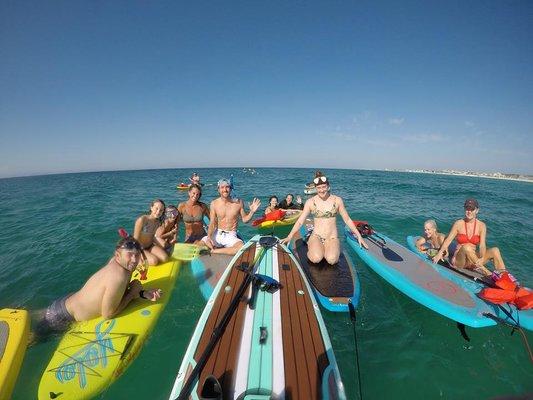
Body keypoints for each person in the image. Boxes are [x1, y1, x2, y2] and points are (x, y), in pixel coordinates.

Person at [36, 237, 162, 335]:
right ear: (118, 255)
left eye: (137, 254)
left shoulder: (117, 263)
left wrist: (142, 293)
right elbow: (108, 314)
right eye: (129, 254)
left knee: (36, 316)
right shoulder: (117, 277)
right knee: (31, 341)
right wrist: (133, 293)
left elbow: (115, 292)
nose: (134, 260)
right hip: (63, 318)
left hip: (63, 304)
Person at [281, 171, 367, 264]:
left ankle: (327, 247)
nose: (321, 190)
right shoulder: (310, 202)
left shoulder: (337, 200)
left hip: (332, 237)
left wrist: (359, 236)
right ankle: (311, 242)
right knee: (316, 258)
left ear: (328, 186)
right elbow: (300, 221)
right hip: (317, 236)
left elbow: (347, 219)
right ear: (315, 188)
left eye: (324, 187)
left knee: (332, 260)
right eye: (318, 188)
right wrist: (289, 236)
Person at [432, 198, 507, 276]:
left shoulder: (482, 226)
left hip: (472, 261)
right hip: (460, 261)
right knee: (466, 247)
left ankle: (504, 276)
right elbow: (448, 240)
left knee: (495, 250)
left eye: (472, 209)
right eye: (467, 209)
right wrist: (439, 253)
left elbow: (482, 245)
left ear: (477, 210)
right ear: (464, 209)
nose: (469, 212)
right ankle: (487, 273)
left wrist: (481, 257)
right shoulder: (459, 223)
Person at [203, 178, 261, 255]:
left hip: (231, 235)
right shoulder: (214, 203)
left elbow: (244, 220)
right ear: (218, 189)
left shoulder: (238, 202)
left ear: (230, 189)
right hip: (217, 233)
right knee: (201, 243)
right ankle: (223, 249)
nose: (225, 190)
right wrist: (209, 237)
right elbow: (212, 223)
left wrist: (252, 212)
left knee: (241, 248)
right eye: (222, 187)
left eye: (227, 187)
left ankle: (214, 251)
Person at [133, 199, 169, 265]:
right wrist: (137, 254)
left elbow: (152, 237)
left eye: (161, 210)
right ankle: (140, 258)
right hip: (140, 248)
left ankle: (149, 254)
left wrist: (162, 246)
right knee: (154, 261)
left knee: (165, 258)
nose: (158, 212)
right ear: (151, 208)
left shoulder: (157, 222)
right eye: (156, 208)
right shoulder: (142, 220)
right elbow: (135, 239)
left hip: (150, 246)